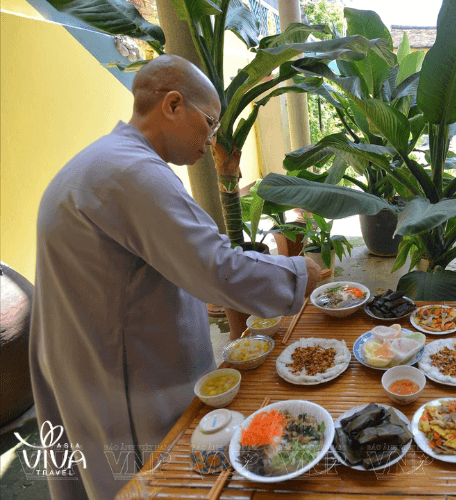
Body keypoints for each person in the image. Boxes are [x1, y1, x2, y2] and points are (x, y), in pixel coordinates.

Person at [29, 54, 321, 500]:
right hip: (116, 372)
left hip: (90, 357)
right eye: (210, 123)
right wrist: (302, 275)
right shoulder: (132, 172)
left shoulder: (113, 159)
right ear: (172, 105)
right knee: (147, 478)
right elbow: (213, 266)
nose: (212, 140)